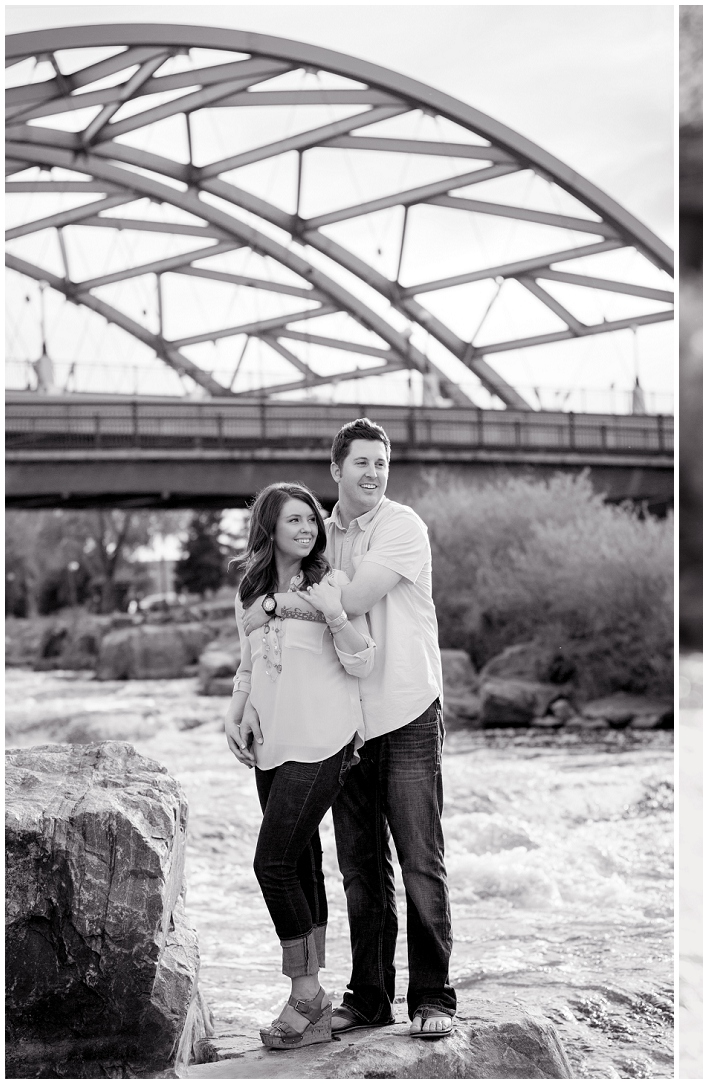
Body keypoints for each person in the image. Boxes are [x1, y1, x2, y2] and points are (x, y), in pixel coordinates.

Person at [245, 418, 453, 1039]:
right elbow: (276, 633)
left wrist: (270, 606)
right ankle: (369, 998)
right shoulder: (319, 534)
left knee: (419, 857)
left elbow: (352, 600)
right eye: (360, 463)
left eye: (380, 463)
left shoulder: (401, 526)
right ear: (336, 470)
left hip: (409, 710)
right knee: (360, 866)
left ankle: (433, 998)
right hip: (349, 724)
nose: (372, 473)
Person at [224, 482, 375, 1050]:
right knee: (304, 864)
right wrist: (234, 716)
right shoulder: (250, 591)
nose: (308, 528)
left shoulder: (329, 582)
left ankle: (306, 995)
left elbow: (361, 659)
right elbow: (247, 667)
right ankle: (311, 1004)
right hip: (273, 745)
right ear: (270, 528)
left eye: (311, 519)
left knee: (273, 862)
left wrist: (335, 615)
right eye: (295, 520)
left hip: (325, 739)